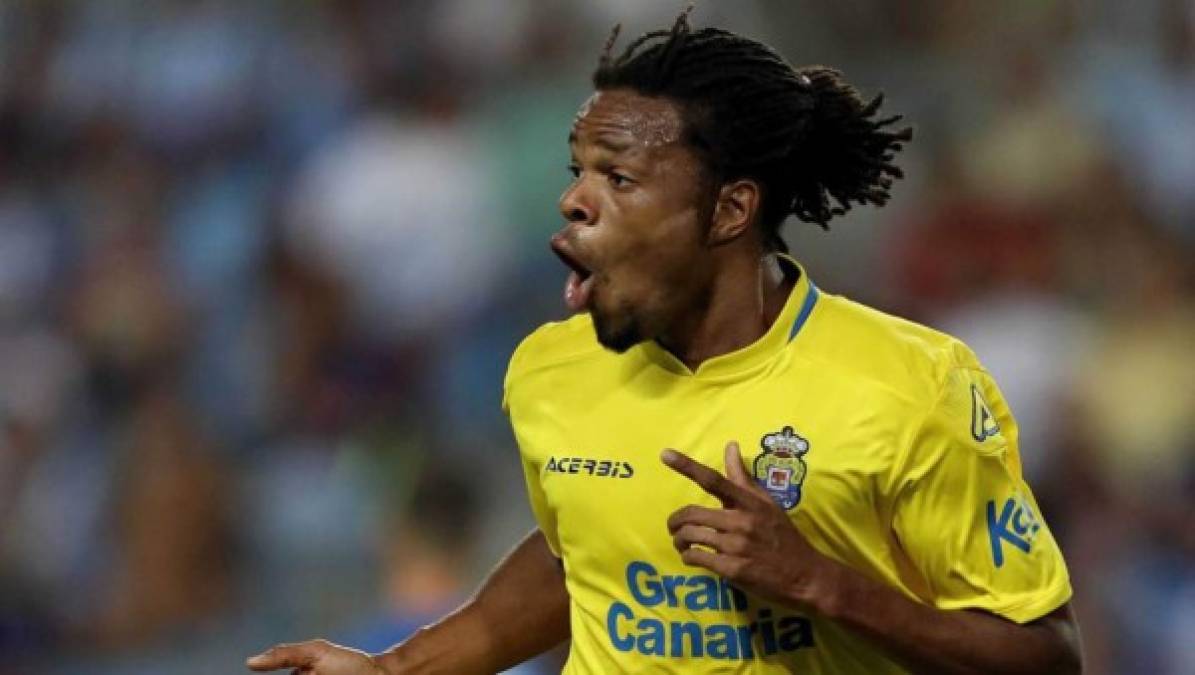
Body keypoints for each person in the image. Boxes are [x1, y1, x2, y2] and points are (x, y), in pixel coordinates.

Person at [247, 11, 1083, 674]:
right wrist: (399, 668)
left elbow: (1043, 656)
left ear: (728, 210)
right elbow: (582, 553)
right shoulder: (552, 371)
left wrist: (819, 582)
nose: (574, 200)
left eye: (617, 176)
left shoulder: (909, 383)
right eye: (576, 171)